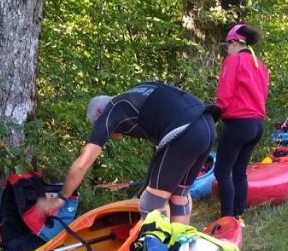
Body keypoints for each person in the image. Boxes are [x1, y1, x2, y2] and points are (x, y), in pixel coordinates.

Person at [38, 83, 219, 225]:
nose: (110, 135)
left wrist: (61, 198)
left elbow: (82, 164)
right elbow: (162, 159)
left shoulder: (111, 111)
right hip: (207, 123)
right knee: (179, 195)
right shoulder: (136, 95)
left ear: (100, 112)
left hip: (184, 130)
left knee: (152, 204)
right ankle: (180, 250)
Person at [214, 23, 269, 221]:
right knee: (239, 172)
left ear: (235, 43)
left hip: (238, 124)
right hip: (256, 125)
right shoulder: (259, 64)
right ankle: (239, 215)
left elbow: (225, 93)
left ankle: (227, 218)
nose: (227, 48)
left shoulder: (233, 60)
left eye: (227, 44)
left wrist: (216, 111)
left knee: (222, 172)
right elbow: (263, 94)